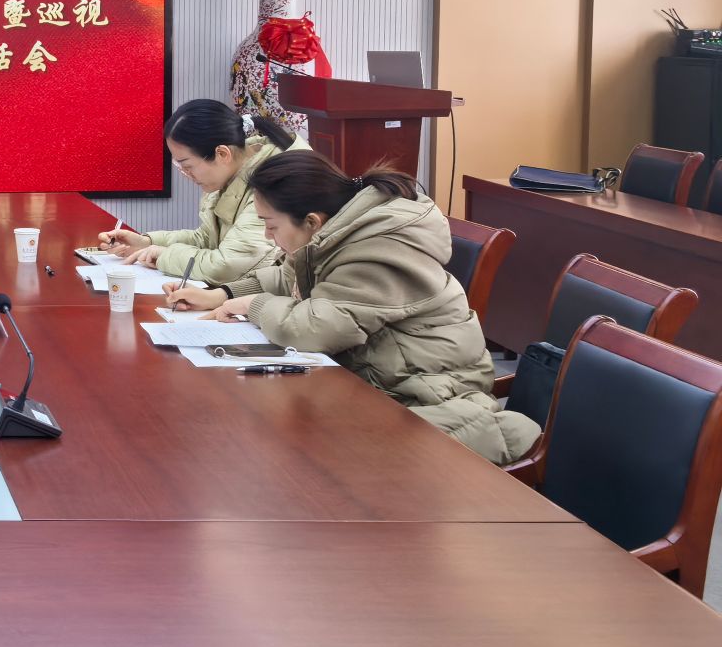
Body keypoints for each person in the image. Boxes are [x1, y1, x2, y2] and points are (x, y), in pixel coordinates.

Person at [166, 152, 539, 466]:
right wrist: (223, 293)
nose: (268, 236)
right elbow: (294, 279)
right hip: (379, 380)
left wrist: (253, 304)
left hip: (428, 394)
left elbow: (315, 328)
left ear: (312, 221)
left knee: (289, 452)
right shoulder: (337, 234)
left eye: (271, 225)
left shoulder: (378, 249)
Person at [96, 99, 301, 285]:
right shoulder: (231, 171)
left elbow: (227, 266)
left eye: (187, 166)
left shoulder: (276, 183)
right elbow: (209, 239)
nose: (186, 174)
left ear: (222, 154)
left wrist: (164, 255)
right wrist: (147, 242)